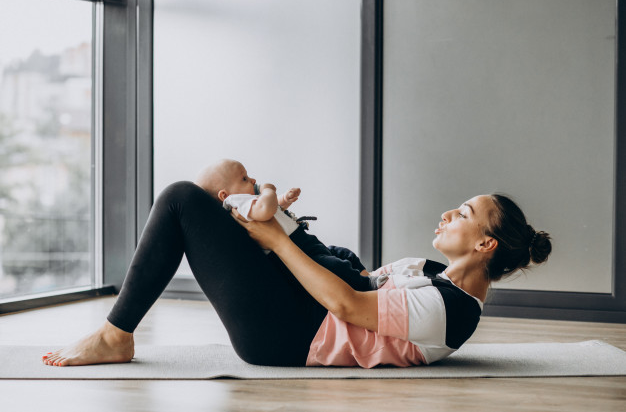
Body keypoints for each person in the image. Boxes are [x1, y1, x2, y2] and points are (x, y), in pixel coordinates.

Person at [41, 180, 551, 368]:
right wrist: (280, 229)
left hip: (287, 337)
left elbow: (347, 305)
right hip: (301, 315)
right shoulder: (432, 274)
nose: (447, 214)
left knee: (180, 200)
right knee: (220, 204)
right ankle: (259, 207)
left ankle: (115, 335)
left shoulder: (449, 310)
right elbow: (357, 278)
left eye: (462, 214)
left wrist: (280, 240)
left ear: (486, 244)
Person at [194, 159, 376, 291]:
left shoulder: (249, 202)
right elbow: (266, 210)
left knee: (342, 254)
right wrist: (269, 190)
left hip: (304, 242)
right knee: (333, 267)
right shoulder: (237, 202)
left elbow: (274, 209)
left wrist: (284, 199)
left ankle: (366, 278)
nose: (253, 181)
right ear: (224, 195)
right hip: (294, 250)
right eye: (244, 179)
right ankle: (366, 287)